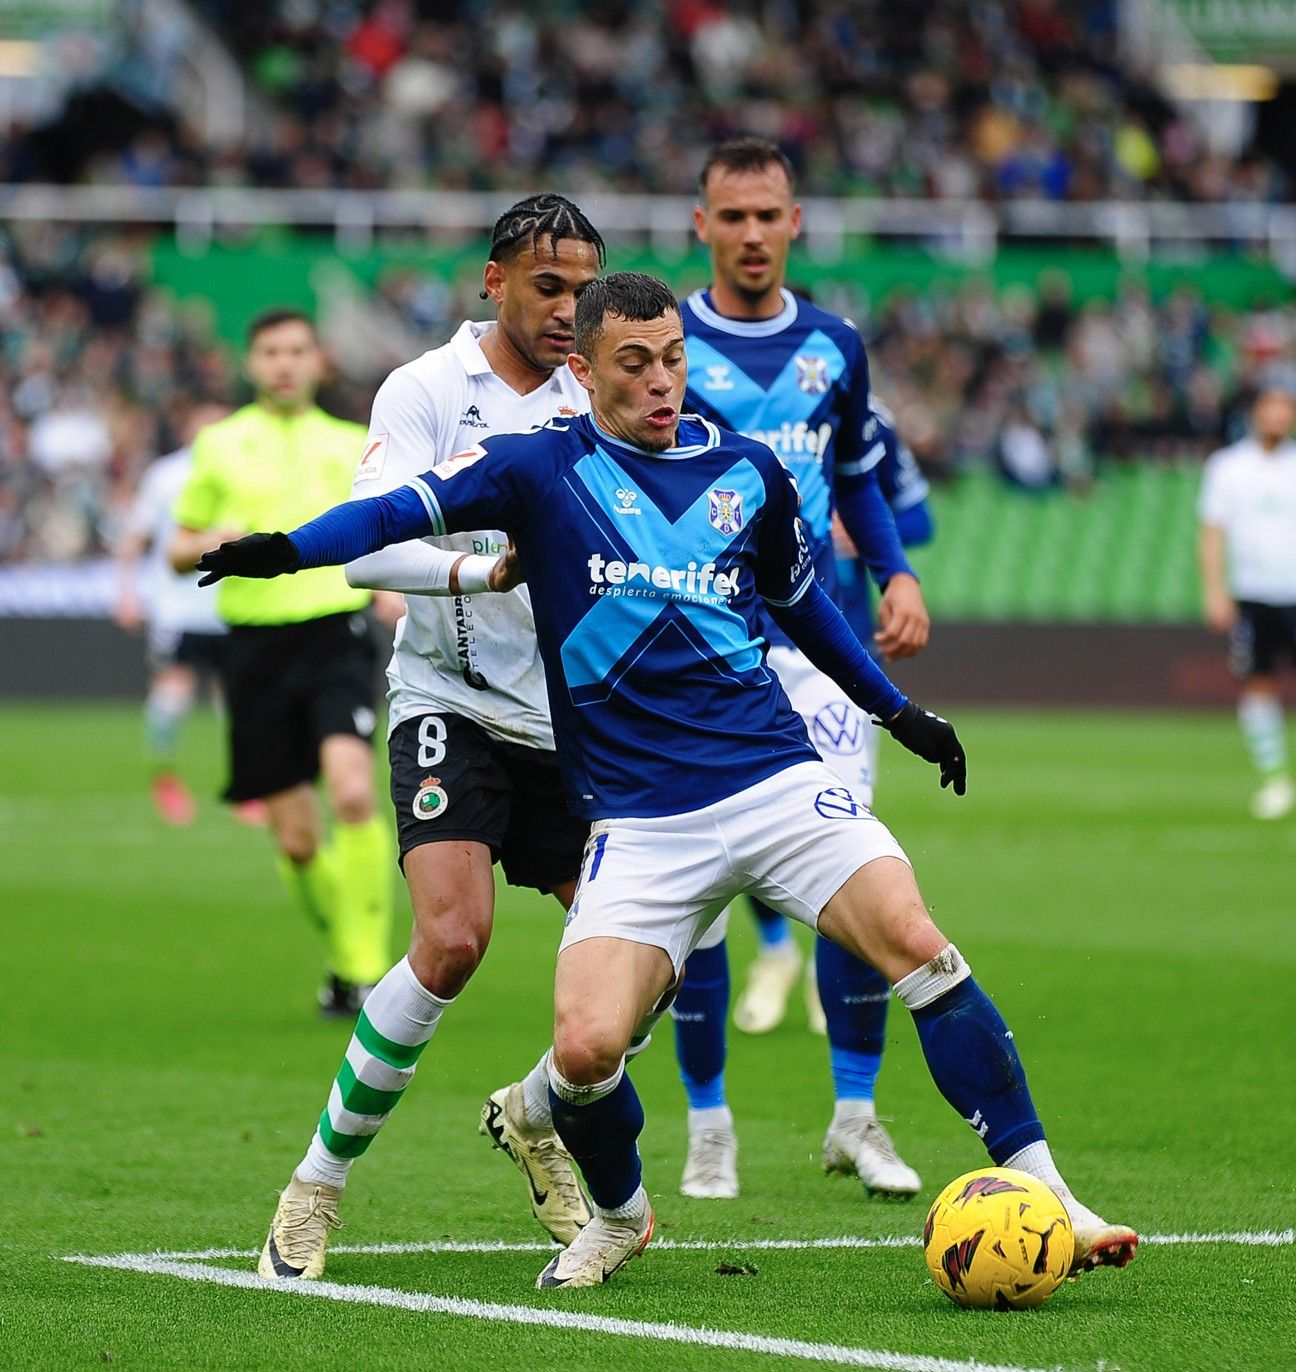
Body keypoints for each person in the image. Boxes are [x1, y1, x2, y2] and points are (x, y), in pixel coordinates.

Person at [198, 271, 1139, 1292]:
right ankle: (614, 1213)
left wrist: (898, 714)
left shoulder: (745, 471)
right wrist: (285, 551)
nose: (660, 383)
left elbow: (808, 607)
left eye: (673, 359)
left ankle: (1056, 1196)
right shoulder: (536, 469)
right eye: (633, 363)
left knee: (917, 943)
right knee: (588, 1047)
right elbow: (390, 514)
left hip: (773, 777)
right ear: (582, 370)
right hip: (641, 820)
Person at [238, 196, 607, 1281]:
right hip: (448, 695)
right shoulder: (430, 390)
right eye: (549, 287)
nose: (568, 310)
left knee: (638, 970)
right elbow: (368, 553)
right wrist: (479, 569)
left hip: (576, 722)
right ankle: (316, 1183)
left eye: (584, 289)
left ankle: (533, 1112)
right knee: (452, 938)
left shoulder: (607, 387)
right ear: (492, 281)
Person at [670, 137, 932, 1202]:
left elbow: (859, 475)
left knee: (852, 879)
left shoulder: (835, 345)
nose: (750, 234)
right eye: (730, 216)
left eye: (767, 214)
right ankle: (708, 1125)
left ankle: (856, 1116)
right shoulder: (662, 340)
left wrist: (898, 573)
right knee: (693, 900)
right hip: (691, 649)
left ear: (795, 221)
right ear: (701, 226)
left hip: (820, 650)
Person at [170, 309, 396, 1018]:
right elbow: (178, 550)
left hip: (336, 631)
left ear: (318, 360)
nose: (285, 363)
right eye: (271, 351)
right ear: (251, 363)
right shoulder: (219, 444)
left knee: (355, 793)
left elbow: (389, 525)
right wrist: (214, 537)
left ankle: (365, 970)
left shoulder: (356, 443)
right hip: (257, 646)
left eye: (297, 350)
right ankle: (347, 963)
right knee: (297, 838)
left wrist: (390, 586)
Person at [114, 400, 232, 826]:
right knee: (173, 693)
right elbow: (134, 538)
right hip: (178, 609)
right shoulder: (166, 475)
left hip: (231, 607)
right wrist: (126, 593)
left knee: (236, 699)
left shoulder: (243, 471)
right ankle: (164, 778)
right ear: (188, 429)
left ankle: (246, 785)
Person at [1198, 384, 1296, 820]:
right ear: (1257, 412)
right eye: (1272, 407)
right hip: (1254, 593)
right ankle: (1275, 778)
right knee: (1258, 683)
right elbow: (1212, 532)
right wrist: (1215, 590)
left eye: (1286, 408)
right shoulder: (1228, 467)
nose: (1279, 416)